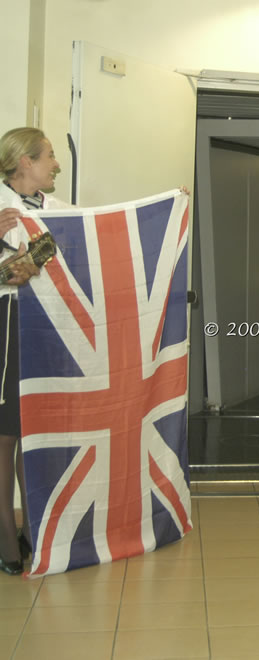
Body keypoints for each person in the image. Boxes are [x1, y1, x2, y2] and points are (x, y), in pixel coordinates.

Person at [0, 127, 66, 575]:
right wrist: (10, 272)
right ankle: (5, 538)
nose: (56, 164)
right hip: (5, 329)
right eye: (50, 156)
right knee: (5, 438)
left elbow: (77, 243)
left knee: (35, 431)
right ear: (25, 161)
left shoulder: (55, 209)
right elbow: (9, 275)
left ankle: (34, 529)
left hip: (41, 328)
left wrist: (168, 204)